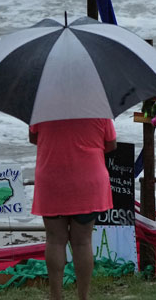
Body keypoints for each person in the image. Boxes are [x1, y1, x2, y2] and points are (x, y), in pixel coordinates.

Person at [29, 119, 116, 300]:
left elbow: (34, 138)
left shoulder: (43, 105)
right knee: (83, 241)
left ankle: (56, 296)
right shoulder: (98, 109)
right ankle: (83, 297)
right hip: (88, 179)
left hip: (52, 178)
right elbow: (111, 144)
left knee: (54, 240)